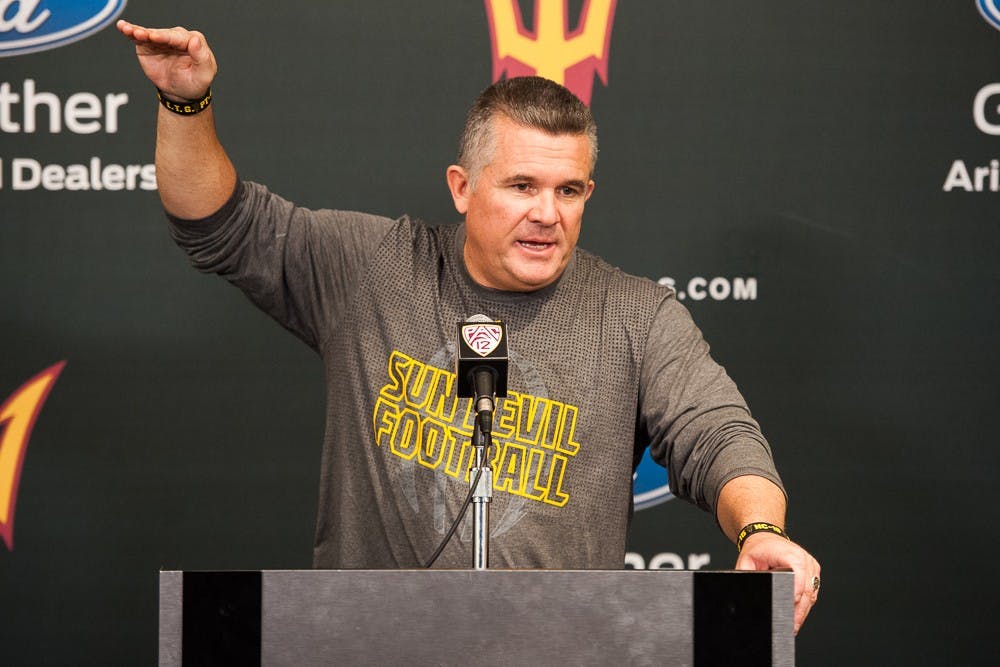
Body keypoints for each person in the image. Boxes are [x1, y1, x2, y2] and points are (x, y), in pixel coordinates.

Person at [118, 20, 821, 633]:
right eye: (522, 186)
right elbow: (217, 225)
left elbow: (720, 434)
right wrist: (186, 101)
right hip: (366, 646)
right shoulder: (370, 268)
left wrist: (760, 527)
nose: (548, 212)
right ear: (462, 187)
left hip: (566, 650)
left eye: (568, 190)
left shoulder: (637, 315)